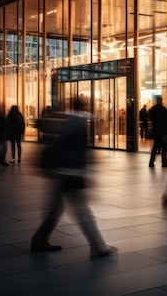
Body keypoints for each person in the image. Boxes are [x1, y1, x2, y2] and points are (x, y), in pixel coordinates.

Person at [30, 102, 114, 258]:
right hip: (71, 172)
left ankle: (39, 240)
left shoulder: (67, 121)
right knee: (81, 209)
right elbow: (78, 151)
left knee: (56, 208)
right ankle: (97, 247)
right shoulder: (78, 124)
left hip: (61, 171)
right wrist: (85, 170)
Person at [148, 95, 167, 168]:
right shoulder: (164, 109)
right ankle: (164, 162)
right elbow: (166, 121)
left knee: (155, 147)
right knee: (164, 147)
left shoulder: (153, 109)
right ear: (161, 100)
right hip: (162, 131)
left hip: (156, 130)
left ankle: (151, 162)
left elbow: (150, 117)